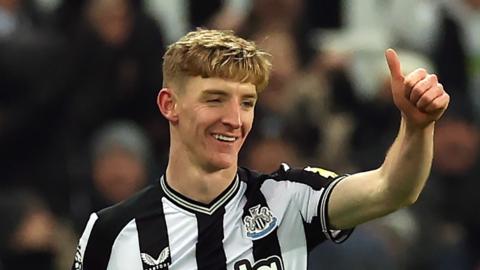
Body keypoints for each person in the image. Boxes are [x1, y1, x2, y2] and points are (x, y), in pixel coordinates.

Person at [72, 29, 449, 270]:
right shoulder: (112, 232)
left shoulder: (288, 199)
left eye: (247, 103)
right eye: (215, 99)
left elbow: (392, 189)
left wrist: (417, 127)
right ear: (170, 104)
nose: (234, 119)